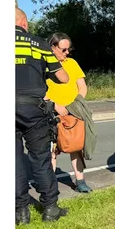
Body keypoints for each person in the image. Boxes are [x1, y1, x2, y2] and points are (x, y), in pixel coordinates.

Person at [16, 7, 69, 224]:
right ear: (25, 23)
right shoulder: (39, 44)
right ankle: (49, 208)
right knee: (40, 158)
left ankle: (20, 213)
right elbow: (64, 78)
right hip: (34, 109)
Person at [45, 33, 93, 193]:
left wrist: (76, 104)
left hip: (73, 112)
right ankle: (52, 188)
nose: (67, 53)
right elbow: (39, 91)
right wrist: (55, 105)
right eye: (63, 49)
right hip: (51, 113)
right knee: (51, 151)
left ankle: (80, 182)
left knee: (76, 148)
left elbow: (82, 87)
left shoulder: (72, 63)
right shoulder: (42, 64)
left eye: (69, 49)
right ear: (53, 47)